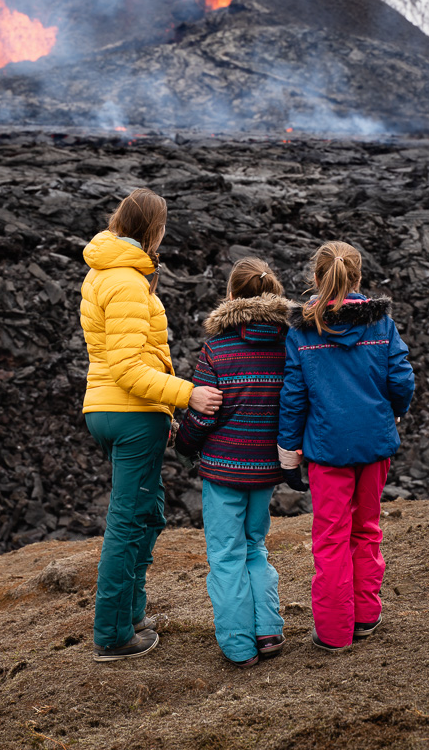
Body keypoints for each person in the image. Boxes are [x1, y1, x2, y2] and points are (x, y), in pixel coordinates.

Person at [80, 188, 223, 662]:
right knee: (127, 522)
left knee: (145, 513)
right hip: (130, 413)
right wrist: (188, 394)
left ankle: (131, 614)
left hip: (110, 410)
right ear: (153, 228)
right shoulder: (123, 280)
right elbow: (126, 368)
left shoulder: (107, 271)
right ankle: (113, 635)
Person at [276, 240, 414, 652]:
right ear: (357, 278)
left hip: (327, 449)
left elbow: (293, 396)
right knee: (366, 529)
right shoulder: (381, 323)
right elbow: (401, 380)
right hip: (374, 443)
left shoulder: (302, 330)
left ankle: (335, 632)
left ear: (316, 280)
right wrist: (395, 413)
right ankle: (367, 615)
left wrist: (287, 454)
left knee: (331, 538)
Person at [175, 258, 302, 667]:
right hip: (266, 470)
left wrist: (184, 443)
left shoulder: (217, 348)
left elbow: (202, 412)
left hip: (222, 471)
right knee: (255, 548)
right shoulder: (290, 344)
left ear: (230, 296)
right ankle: (269, 631)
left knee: (226, 555)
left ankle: (238, 646)